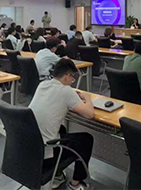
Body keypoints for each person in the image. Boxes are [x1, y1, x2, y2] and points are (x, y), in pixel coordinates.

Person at [29, 59, 94, 190]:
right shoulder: (66, 91)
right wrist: (87, 98)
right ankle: (75, 184)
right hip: (45, 152)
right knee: (86, 139)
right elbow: (89, 114)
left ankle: (57, 176)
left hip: (29, 148)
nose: (71, 82)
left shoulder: (42, 85)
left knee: (62, 128)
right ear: (67, 76)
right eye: (72, 78)